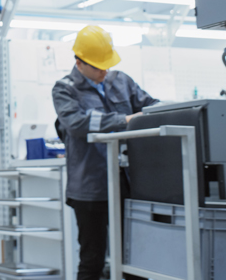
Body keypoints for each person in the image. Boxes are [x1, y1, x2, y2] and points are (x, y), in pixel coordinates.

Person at [52, 25, 158, 280]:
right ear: (79, 63)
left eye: (106, 65)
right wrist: (126, 120)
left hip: (127, 184)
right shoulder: (64, 89)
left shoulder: (121, 81)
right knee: (92, 260)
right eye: (98, 67)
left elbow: (150, 106)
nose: (104, 71)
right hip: (90, 188)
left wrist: (164, 111)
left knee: (135, 257)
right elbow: (77, 123)